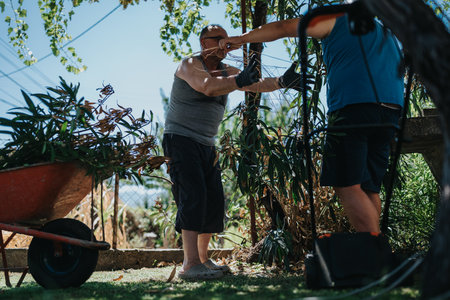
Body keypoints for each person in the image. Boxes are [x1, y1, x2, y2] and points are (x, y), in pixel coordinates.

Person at [219, 13, 404, 233]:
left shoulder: (340, 18)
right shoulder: (386, 31)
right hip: (390, 112)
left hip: (355, 109)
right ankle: (377, 251)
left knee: (346, 184)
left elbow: (283, 27)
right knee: (369, 188)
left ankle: (375, 255)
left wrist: (240, 39)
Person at [163, 24, 304, 280]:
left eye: (227, 39)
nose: (225, 43)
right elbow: (207, 86)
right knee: (193, 196)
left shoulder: (228, 71)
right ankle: (189, 264)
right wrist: (239, 81)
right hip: (180, 139)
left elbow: (255, 84)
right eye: (218, 38)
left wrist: (283, 81)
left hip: (207, 144)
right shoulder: (189, 65)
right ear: (204, 42)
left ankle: (203, 261)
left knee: (214, 200)